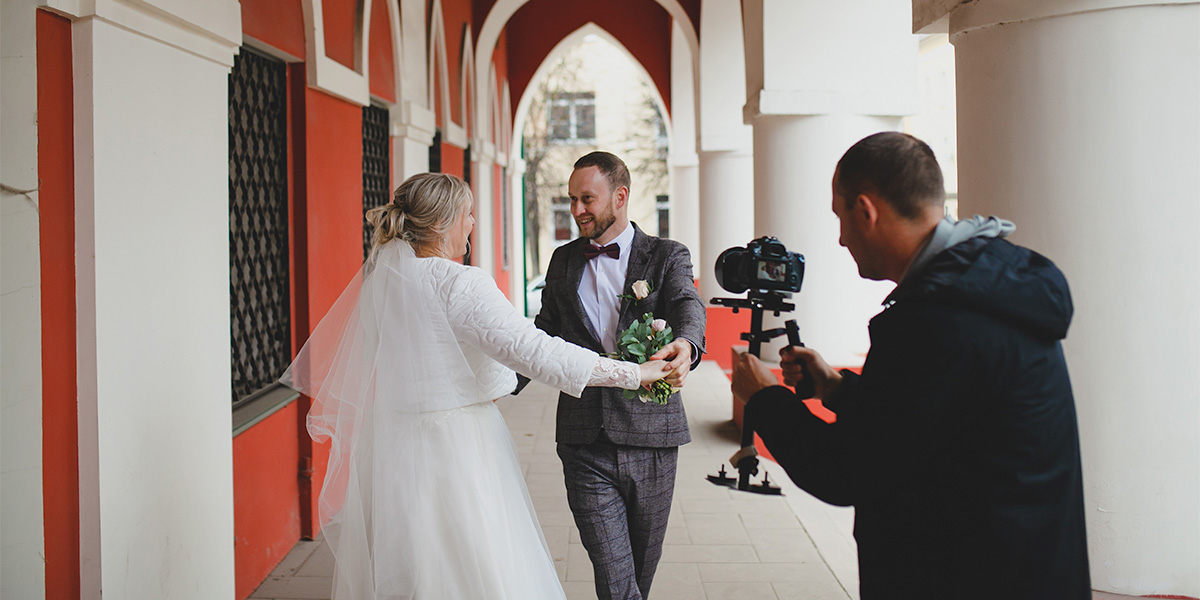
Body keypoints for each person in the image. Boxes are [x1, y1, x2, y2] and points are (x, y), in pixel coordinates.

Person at [730, 132, 1090, 599]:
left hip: (961, 574)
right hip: (1028, 566)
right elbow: (932, 422)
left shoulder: (931, 321)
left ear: (866, 211)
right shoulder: (993, 278)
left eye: (841, 219)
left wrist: (766, 398)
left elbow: (848, 470)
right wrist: (838, 389)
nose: (840, 239)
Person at [280, 172, 672, 600]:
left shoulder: (383, 282)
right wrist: (633, 373)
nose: (472, 224)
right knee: (480, 566)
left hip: (392, 446)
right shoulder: (460, 283)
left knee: (413, 569)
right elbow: (535, 350)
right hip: (458, 447)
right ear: (445, 222)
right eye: (468, 214)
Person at [522, 151, 706, 600]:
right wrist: (500, 381)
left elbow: (687, 303)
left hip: (652, 438)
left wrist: (687, 344)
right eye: (571, 199)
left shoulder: (666, 255)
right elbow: (543, 334)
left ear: (620, 196)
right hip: (584, 440)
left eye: (587, 198)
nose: (577, 210)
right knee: (614, 576)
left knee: (638, 575)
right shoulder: (563, 261)